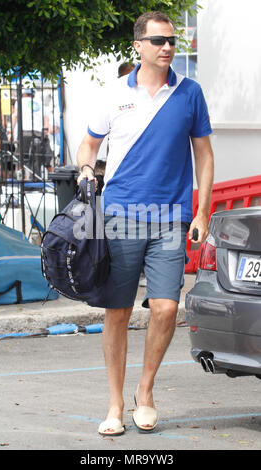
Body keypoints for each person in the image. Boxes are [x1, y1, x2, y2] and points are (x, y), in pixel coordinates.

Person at [76, 11, 214, 436]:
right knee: (116, 312)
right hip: (119, 216)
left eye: (171, 40)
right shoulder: (114, 93)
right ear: (138, 45)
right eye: (158, 41)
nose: (168, 47)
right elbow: (89, 144)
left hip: (170, 219)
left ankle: (146, 392)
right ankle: (115, 403)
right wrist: (85, 168)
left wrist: (203, 211)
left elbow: (204, 156)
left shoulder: (190, 93)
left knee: (167, 308)